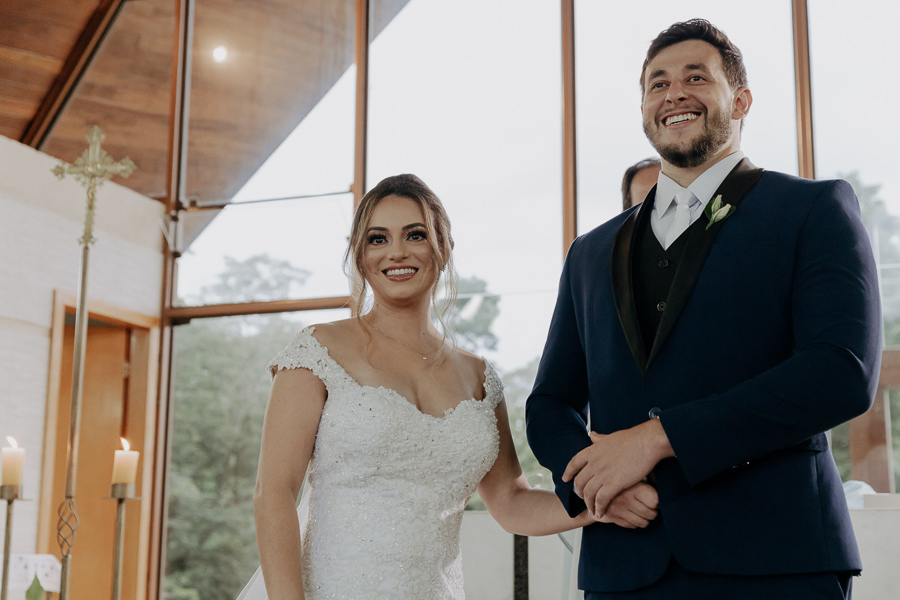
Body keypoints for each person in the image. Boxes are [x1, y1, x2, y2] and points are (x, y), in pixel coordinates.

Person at [526, 19, 881, 600]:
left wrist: (657, 438)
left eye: (696, 77)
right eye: (657, 83)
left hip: (776, 561)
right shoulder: (588, 253)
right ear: (644, 108)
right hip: (626, 569)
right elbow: (549, 403)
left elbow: (840, 372)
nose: (674, 93)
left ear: (740, 99)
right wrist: (595, 483)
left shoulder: (812, 210)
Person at [251, 174, 596, 600]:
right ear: (360, 256)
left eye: (415, 235)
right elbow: (275, 493)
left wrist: (594, 504)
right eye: (378, 239)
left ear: (443, 247)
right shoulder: (319, 348)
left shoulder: (478, 376)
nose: (396, 252)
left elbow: (509, 500)